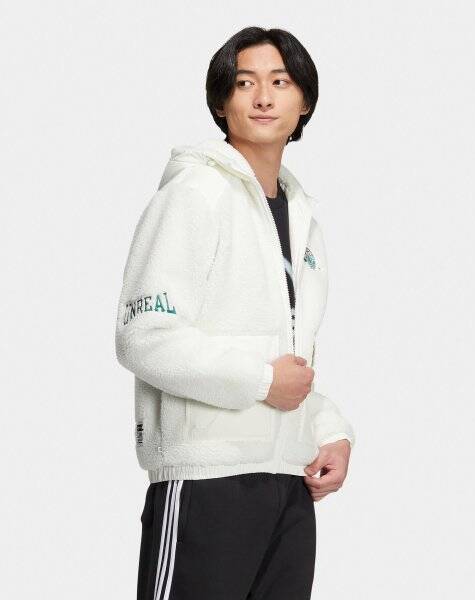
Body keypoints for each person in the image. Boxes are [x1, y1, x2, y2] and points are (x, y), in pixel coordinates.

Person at [115, 26, 356, 600]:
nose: (264, 98)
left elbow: (288, 356)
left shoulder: (302, 220)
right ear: (222, 102)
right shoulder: (192, 195)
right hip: (206, 480)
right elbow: (143, 335)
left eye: (281, 82)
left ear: (305, 102)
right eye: (245, 83)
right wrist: (262, 381)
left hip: (288, 486)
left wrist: (330, 433)